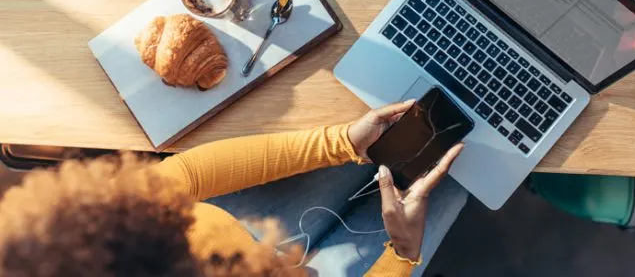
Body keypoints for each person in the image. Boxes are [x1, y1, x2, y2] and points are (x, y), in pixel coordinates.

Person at [0, 101, 464, 277]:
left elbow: (191, 176)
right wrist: (402, 253)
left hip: (238, 229)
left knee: (391, 136)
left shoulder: (87, 246)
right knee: (457, 177)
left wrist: (337, 142)